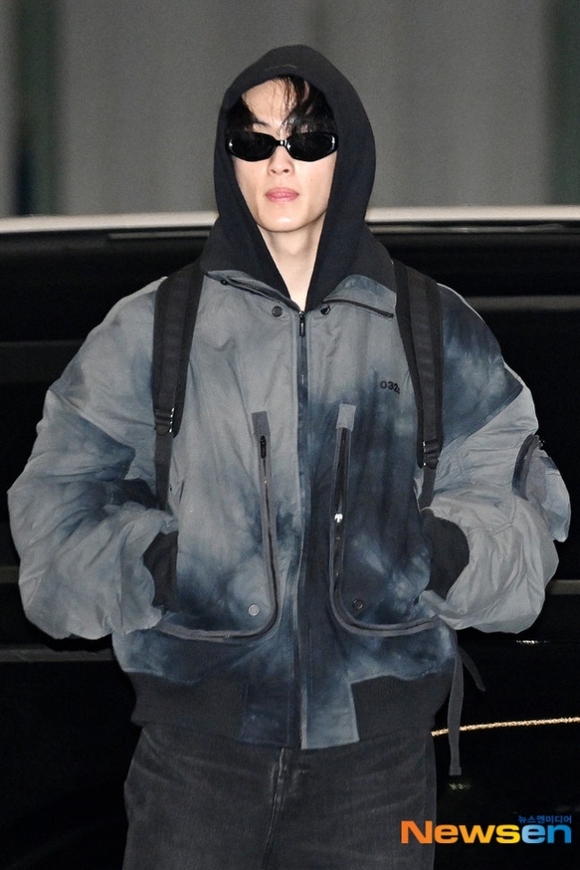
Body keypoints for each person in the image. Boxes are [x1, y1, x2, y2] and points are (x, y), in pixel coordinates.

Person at [8, 45, 570, 870]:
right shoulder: (151, 329)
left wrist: (434, 550)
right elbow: (55, 515)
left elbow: (523, 510)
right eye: (254, 138)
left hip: (376, 769)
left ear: (350, 154)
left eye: (308, 138)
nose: (280, 160)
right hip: (194, 765)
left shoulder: (432, 327)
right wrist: (167, 565)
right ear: (227, 154)